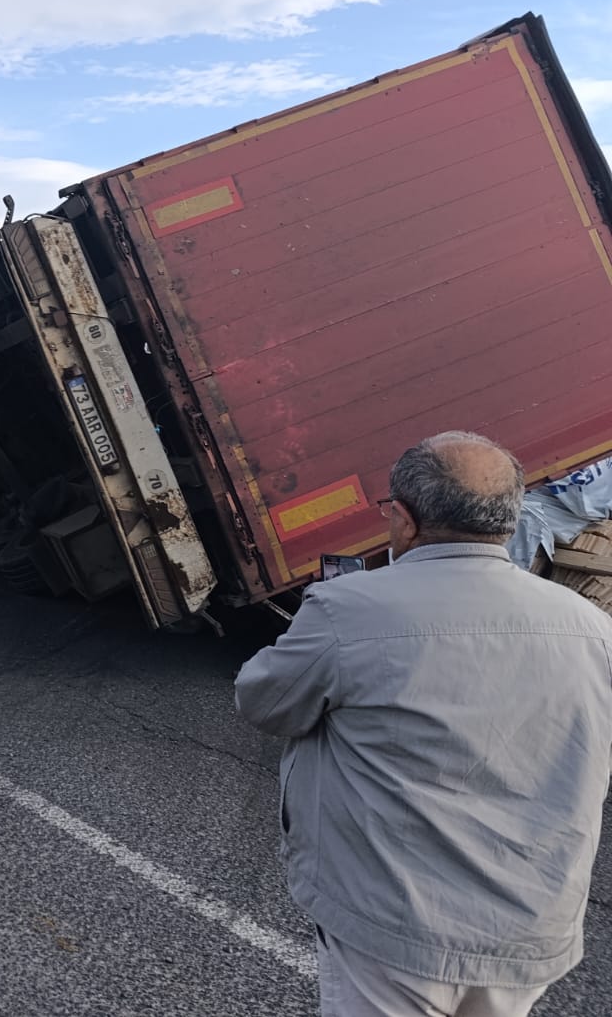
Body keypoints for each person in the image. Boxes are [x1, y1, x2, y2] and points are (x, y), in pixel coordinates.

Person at [235, 431, 612, 1017]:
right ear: (508, 519)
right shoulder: (592, 627)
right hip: (531, 926)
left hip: (394, 924)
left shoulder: (348, 607)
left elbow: (264, 702)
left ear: (405, 520)